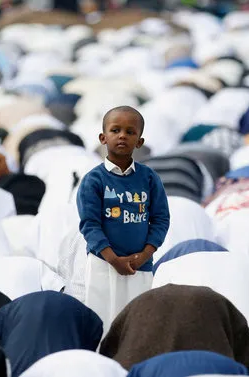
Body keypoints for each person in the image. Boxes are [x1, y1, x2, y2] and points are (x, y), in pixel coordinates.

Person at [77, 106, 170, 332]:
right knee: (104, 325)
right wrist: (113, 259)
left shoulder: (149, 178)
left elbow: (160, 219)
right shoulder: (93, 180)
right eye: (115, 130)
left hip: (141, 265)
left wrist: (145, 254)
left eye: (130, 132)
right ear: (103, 137)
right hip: (103, 264)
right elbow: (90, 225)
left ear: (139, 141)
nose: (122, 136)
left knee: (140, 325)